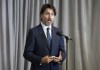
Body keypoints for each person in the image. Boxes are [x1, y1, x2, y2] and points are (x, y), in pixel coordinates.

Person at [23, 4, 66, 70]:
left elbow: (63, 51)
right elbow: (27, 53)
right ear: (41, 15)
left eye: (52, 14)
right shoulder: (33, 32)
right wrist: (41, 60)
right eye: (47, 14)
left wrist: (61, 58)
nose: (50, 17)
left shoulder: (58, 32)